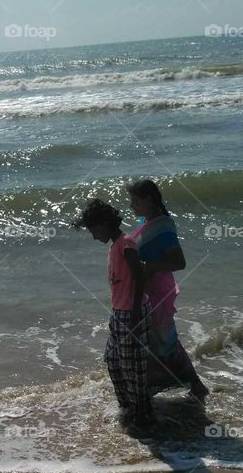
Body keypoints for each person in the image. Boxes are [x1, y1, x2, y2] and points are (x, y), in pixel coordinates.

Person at [126, 179, 210, 403]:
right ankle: (156, 387)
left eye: (135, 201)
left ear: (149, 200)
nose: (131, 206)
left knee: (165, 340)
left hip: (159, 291)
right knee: (155, 340)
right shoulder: (148, 222)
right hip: (147, 291)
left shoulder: (163, 226)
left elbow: (179, 262)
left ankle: (194, 386)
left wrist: (148, 268)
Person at [73, 198, 153, 424]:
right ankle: (128, 408)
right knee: (113, 361)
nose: (94, 236)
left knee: (132, 368)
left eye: (94, 230)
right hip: (119, 313)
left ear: (104, 224)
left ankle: (143, 415)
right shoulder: (115, 245)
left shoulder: (126, 244)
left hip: (131, 314)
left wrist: (136, 314)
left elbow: (139, 277)